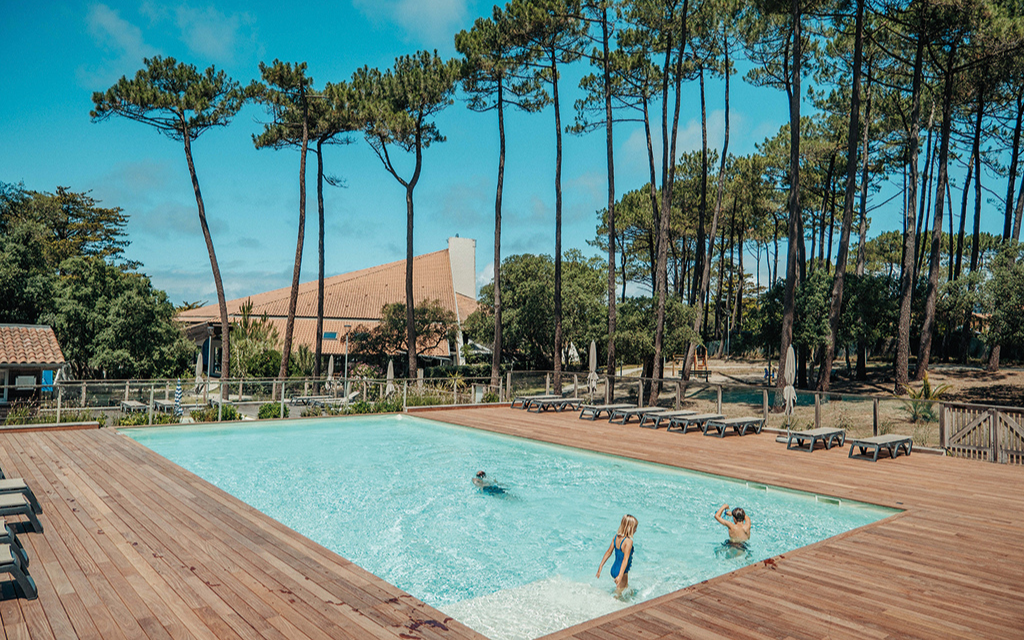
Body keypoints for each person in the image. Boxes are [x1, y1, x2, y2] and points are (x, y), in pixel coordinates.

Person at [596, 514, 637, 597]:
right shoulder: (628, 542)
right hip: (621, 571)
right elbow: (625, 559)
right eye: (635, 527)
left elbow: (608, 552)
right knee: (620, 592)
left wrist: (601, 566)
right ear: (630, 528)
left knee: (625, 588)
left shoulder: (616, 537)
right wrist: (620, 575)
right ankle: (613, 603)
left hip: (614, 569)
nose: (636, 530)